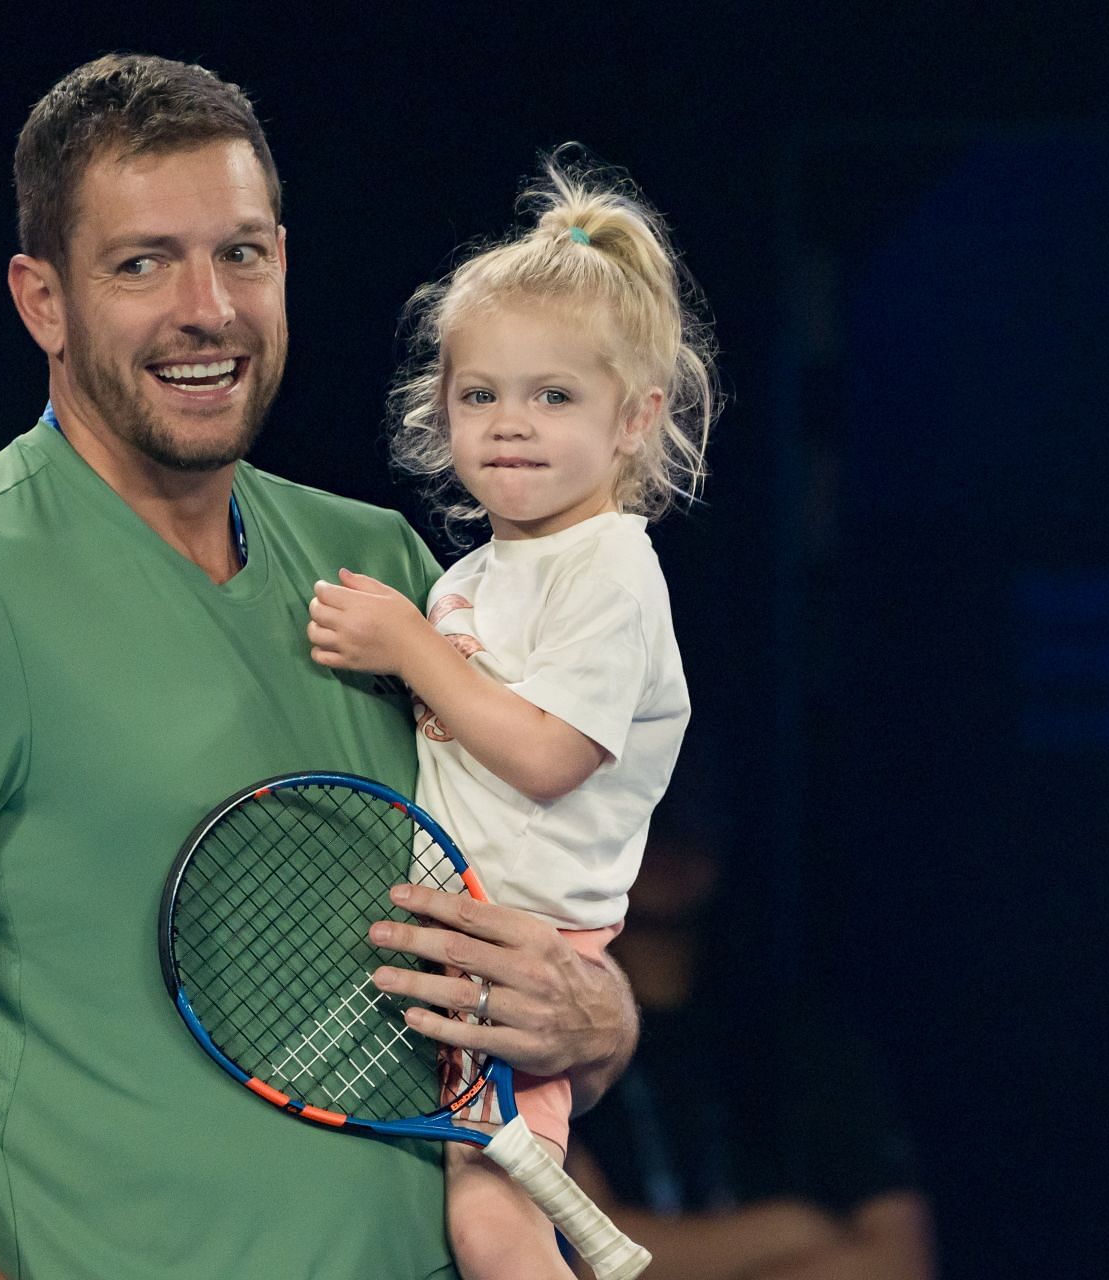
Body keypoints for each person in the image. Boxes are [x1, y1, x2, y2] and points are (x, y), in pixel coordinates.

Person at [0, 55, 637, 1280]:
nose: (209, 307)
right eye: (141, 263)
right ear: (43, 301)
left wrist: (594, 1018)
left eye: (240, 253)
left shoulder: (389, 567)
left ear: (285, 264)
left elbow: (528, 944)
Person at [305, 156, 715, 1279]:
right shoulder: (473, 577)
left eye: (553, 396)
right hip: (448, 937)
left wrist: (409, 651)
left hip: (526, 956)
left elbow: (544, 756)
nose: (510, 425)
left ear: (635, 421)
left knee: (492, 1223)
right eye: (479, 395)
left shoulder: (613, 574)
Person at [564, 826, 936, 1280]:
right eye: (649, 807)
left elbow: (897, 1261)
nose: (669, 827)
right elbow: (576, 1253)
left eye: (690, 798)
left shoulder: (802, 1041)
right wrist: (790, 1232)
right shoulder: (560, 1033)